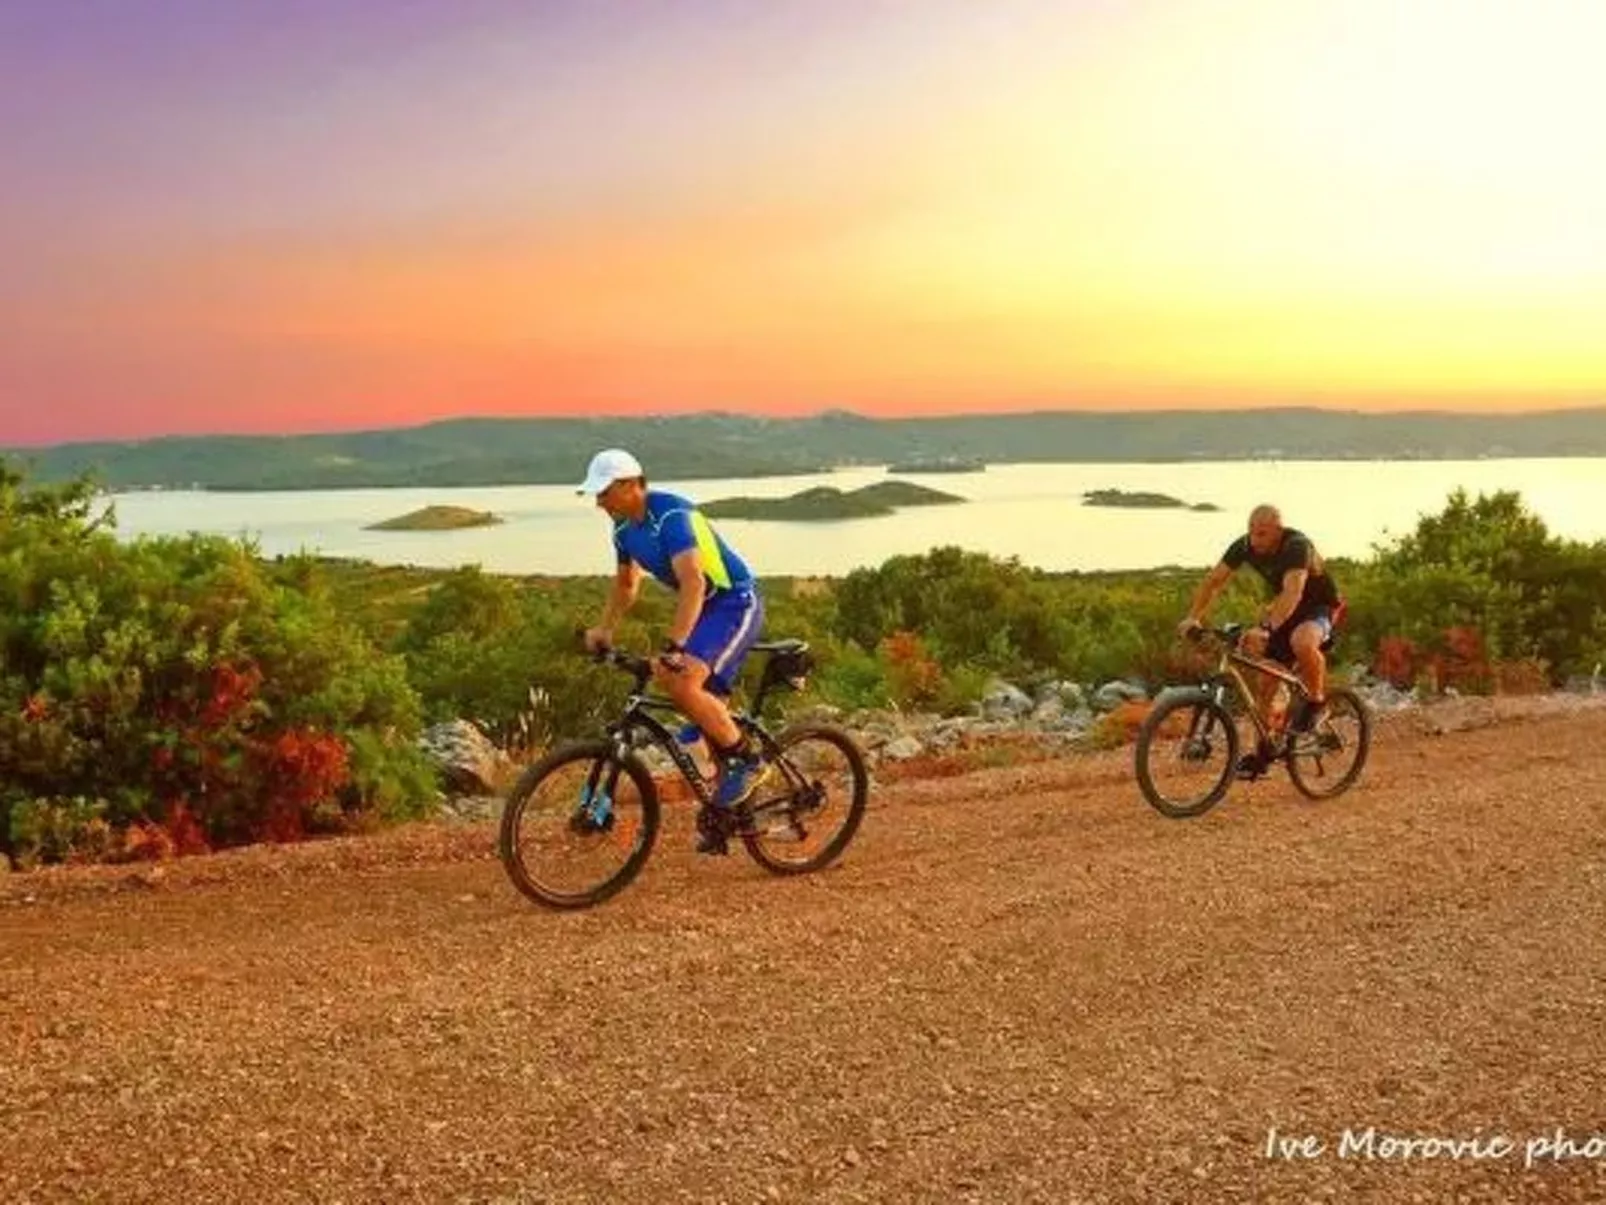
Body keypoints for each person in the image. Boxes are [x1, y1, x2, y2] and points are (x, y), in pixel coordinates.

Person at [578, 448, 771, 853]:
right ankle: (730, 813)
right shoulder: (622, 529)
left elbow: (694, 582)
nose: (599, 503)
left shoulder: (671, 516)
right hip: (705, 610)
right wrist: (605, 629)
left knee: (682, 682)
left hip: (735, 602)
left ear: (631, 485)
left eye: (604, 492)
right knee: (691, 714)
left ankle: (748, 760)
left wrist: (675, 645)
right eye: (596, 494)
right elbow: (626, 585)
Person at [1178, 504, 1345, 778]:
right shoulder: (1244, 546)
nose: (1255, 541)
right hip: (1284, 609)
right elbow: (1214, 581)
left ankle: (1317, 703)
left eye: (1262, 534)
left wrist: (1266, 629)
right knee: (1266, 682)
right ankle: (1264, 754)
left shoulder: (1297, 546)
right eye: (1252, 532)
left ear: (1278, 531)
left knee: (1302, 642)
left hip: (1319, 606)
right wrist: (1193, 617)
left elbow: (1293, 592)